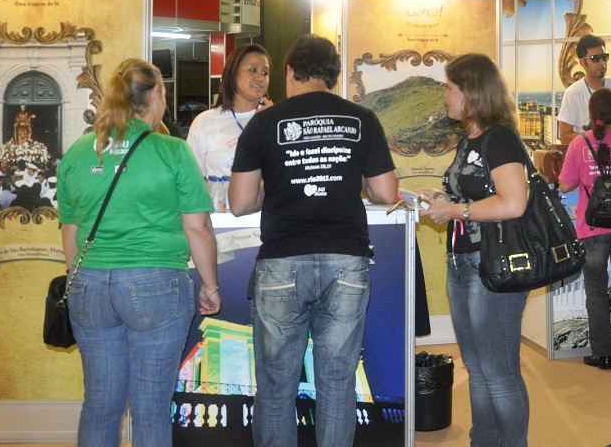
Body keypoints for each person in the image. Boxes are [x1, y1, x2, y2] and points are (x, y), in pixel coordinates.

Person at [229, 34, 399, 447]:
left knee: (276, 384)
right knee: (338, 381)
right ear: (334, 77)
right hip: (346, 261)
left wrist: (276, 185)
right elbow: (386, 192)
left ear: (289, 72)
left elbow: (239, 202)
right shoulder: (362, 119)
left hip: (282, 262)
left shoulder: (264, 122)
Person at [58, 58, 221, 447]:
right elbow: (197, 227)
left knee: (100, 405)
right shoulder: (172, 151)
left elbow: (70, 231)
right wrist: (210, 286)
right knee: (149, 409)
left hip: (89, 286)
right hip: (156, 285)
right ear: (156, 94)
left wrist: (80, 280)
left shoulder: (79, 151)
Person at [418, 53, 530, 447]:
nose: (445, 96)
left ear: (471, 92)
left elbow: (513, 203)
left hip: (492, 267)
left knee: (499, 373)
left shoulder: (500, 138)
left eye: (450, 88)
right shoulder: (471, 139)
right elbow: (476, 197)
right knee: (478, 369)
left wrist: (455, 210)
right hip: (463, 264)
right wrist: (444, 200)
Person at [558, 87, 611, 370]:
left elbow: (565, 185)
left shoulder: (579, 144)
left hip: (591, 228)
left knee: (595, 291)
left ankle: (601, 353)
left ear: (591, 113)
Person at [186, 43, 273, 209]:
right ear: (232, 73)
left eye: (265, 73)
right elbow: (191, 183)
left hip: (266, 216)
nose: (260, 77)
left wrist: (272, 123)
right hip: (220, 218)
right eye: (253, 70)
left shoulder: (275, 121)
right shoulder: (205, 122)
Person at [558, 34, 611, 144]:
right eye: (595, 58)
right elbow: (565, 137)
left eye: (604, 57)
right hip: (585, 151)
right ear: (582, 62)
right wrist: (595, 135)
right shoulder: (572, 93)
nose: (602, 63)